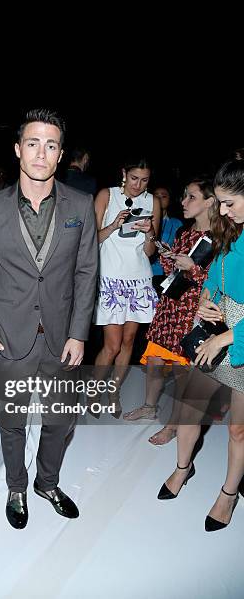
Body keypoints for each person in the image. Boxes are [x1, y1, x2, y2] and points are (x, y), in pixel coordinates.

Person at [0, 108, 98, 529]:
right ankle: (17, 487)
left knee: (60, 420)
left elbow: (86, 273)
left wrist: (80, 333)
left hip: (63, 339)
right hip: (9, 337)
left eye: (52, 145)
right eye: (33, 143)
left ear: (61, 155)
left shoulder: (80, 205)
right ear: (17, 150)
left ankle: (47, 482)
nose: (41, 153)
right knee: (13, 423)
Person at [157, 158, 244, 532]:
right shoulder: (228, 227)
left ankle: (228, 493)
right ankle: (182, 468)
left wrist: (228, 334)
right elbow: (214, 273)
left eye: (230, 203)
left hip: (238, 333)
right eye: (220, 203)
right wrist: (208, 298)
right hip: (213, 321)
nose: (223, 211)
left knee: (239, 428)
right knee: (188, 404)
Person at [123, 177, 217, 447]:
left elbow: (217, 282)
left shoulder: (220, 239)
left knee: (180, 371)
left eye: (191, 197)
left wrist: (193, 268)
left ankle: (174, 425)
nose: (183, 202)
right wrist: (158, 244)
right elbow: (170, 270)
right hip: (169, 306)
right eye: (184, 196)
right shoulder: (184, 233)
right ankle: (149, 407)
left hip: (191, 311)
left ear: (209, 202)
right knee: (154, 360)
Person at [93, 158, 160, 412]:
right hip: (111, 278)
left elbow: (150, 251)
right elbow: (90, 239)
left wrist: (149, 232)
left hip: (139, 278)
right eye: (134, 178)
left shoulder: (152, 201)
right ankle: (94, 390)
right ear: (124, 173)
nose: (138, 185)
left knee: (129, 341)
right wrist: (113, 225)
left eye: (144, 180)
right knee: (112, 345)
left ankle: (113, 393)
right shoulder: (106, 196)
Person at [150, 185, 183, 295]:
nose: (159, 199)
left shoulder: (176, 223)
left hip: (166, 274)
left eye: (163, 196)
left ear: (169, 200)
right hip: (144, 272)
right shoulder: (144, 221)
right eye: (156, 196)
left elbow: (180, 250)